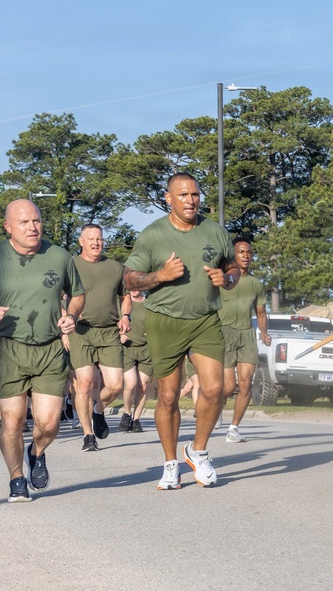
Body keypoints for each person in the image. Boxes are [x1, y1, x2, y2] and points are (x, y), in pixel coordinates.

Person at [0, 199, 84, 503]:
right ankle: (16, 479)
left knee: (49, 424)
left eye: (37, 221)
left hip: (50, 349)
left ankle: (36, 452)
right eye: (25, 222)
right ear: (8, 227)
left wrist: (72, 316)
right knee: (12, 420)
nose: (32, 227)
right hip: (8, 350)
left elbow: (77, 295)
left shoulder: (59, 255)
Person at [123, 172, 240, 490]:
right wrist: (160, 275)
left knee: (216, 389)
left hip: (205, 321)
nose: (191, 200)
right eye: (184, 195)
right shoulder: (152, 235)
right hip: (165, 322)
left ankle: (198, 451)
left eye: (195, 195)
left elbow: (233, 267)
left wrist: (226, 279)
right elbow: (130, 279)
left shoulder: (215, 232)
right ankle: (170, 463)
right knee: (169, 396)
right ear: (169, 198)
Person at [67, 223, 132, 452]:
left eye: (100, 239)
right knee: (84, 385)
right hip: (80, 331)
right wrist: (66, 319)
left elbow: (125, 297)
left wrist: (126, 316)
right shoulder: (71, 265)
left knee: (115, 385)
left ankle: (98, 411)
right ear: (81, 241)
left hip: (109, 331)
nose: (96, 242)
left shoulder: (115, 267)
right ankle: (87, 435)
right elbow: (56, 296)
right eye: (91, 238)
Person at [218, 236, 271, 443]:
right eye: (241, 252)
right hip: (224, 333)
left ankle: (234, 428)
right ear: (233, 254)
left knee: (246, 383)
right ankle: (217, 406)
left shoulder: (256, 284)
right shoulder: (223, 279)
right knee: (229, 386)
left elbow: (261, 314)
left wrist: (264, 333)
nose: (246, 256)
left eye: (249, 252)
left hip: (247, 334)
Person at [122, 290, 149, 433]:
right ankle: (127, 413)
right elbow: (113, 321)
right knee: (131, 384)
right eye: (130, 286)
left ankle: (136, 419)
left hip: (146, 349)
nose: (133, 289)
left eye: (136, 285)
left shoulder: (149, 301)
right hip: (128, 349)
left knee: (142, 387)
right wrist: (118, 335)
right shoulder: (123, 302)